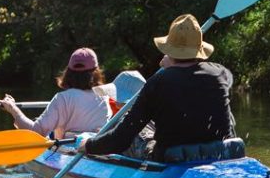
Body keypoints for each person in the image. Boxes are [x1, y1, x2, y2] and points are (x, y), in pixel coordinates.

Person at [79, 14, 236, 161]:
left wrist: (88, 145)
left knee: (124, 119)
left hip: (170, 158)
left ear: (169, 51)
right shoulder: (220, 73)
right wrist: (174, 66)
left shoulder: (158, 82)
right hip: (220, 152)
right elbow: (192, 86)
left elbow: (121, 139)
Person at [0, 47, 112, 139]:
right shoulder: (105, 97)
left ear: (69, 72)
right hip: (96, 154)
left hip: (68, 154)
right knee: (53, 131)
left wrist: (13, 109)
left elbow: (35, 132)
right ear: (96, 72)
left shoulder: (62, 99)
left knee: (51, 132)